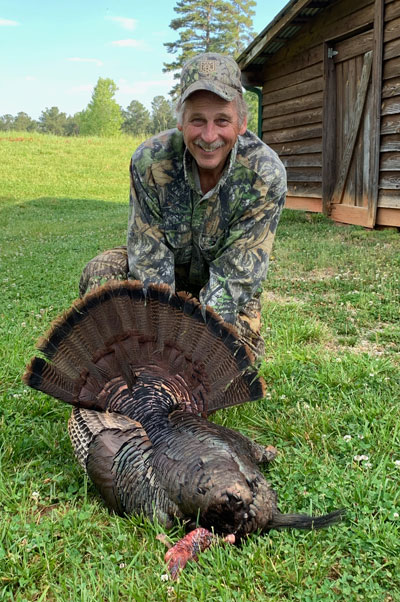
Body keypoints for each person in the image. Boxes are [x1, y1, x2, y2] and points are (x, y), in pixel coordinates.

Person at [79, 52, 287, 360]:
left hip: (222, 289)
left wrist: (189, 350)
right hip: (165, 281)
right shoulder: (150, 161)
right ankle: (122, 368)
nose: (209, 136)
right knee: (101, 271)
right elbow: (148, 260)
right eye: (197, 120)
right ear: (180, 121)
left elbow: (235, 278)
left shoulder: (264, 174)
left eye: (222, 121)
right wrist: (159, 348)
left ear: (242, 122)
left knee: (237, 366)